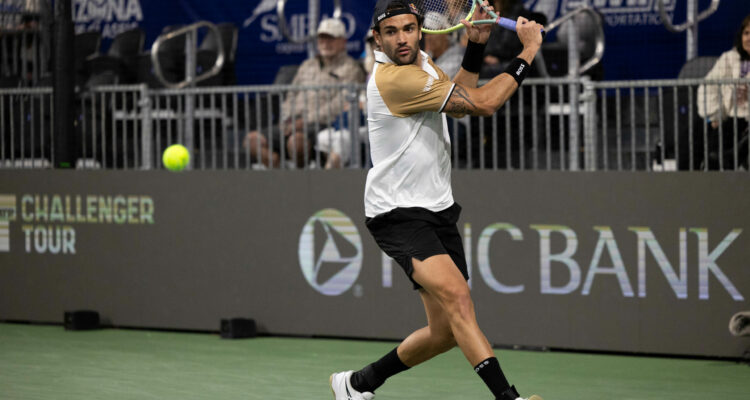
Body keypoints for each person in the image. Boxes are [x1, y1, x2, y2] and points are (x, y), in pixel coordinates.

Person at [329, 1, 544, 399]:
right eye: (391, 32)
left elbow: (459, 101)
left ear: (420, 29)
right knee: (459, 299)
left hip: (437, 209)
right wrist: (527, 52)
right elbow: (483, 104)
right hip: (397, 213)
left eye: (409, 29)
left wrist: (475, 44)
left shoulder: (422, 64)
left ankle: (357, 384)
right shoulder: (394, 79)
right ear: (377, 39)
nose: (402, 39)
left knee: (445, 333)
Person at [243, 18, 366, 168]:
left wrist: (304, 121)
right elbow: (291, 95)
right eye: (322, 38)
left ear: (343, 42)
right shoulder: (307, 65)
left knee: (296, 143)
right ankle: (278, 174)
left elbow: (339, 105)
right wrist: (288, 118)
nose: (325, 43)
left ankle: (300, 181)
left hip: (321, 124)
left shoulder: (351, 68)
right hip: (291, 122)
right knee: (252, 140)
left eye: (331, 39)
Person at [696, 14, 750, 170]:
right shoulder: (729, 58)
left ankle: (733, 156)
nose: (748, 38)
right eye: (746, 33)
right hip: (732, 117)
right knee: (709, 137)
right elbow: (708, 87)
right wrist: (714, 115)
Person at [481, 0, 546, 79]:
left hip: (512, 62)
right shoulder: (486, 11)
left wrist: (496, 58)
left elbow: (509, 43)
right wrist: (487, 55)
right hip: (493, 64)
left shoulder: (518, 10)